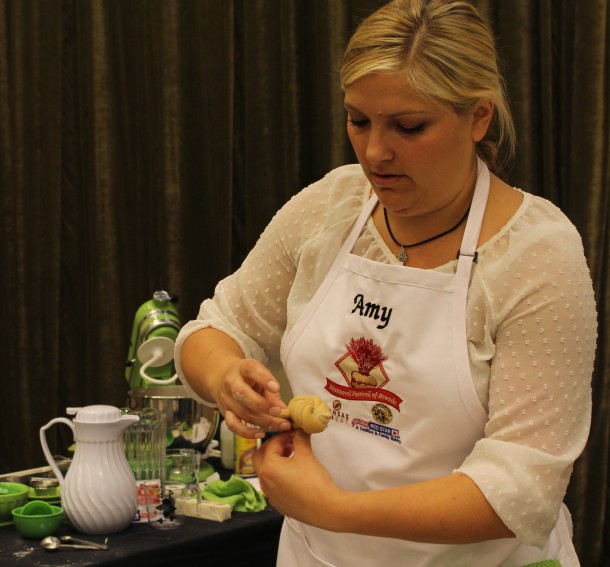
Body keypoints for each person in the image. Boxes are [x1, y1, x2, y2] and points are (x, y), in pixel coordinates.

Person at [172, 1, 596, 565]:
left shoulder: (534, 254)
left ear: (478, 117)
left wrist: (334, 508)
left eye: (409, 126)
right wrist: (228, 376)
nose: (376, 152)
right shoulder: (330, 209)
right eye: (359, 120)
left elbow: (521, 489)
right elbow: (214, 328)